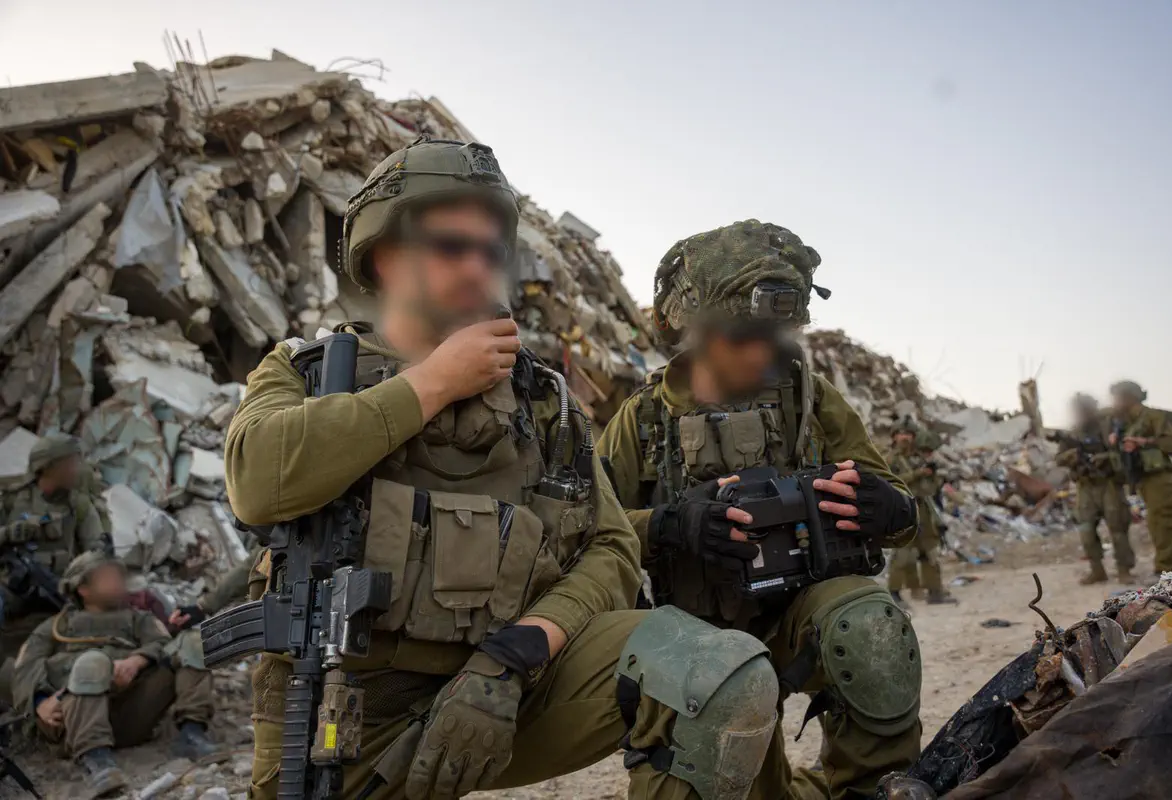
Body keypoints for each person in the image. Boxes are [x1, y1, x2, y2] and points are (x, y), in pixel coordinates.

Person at [226, 140, 784, 800]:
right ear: (385, 254)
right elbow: (257, 483)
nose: (477, 267)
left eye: (491, 252)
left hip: (510, 690)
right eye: (451, 246)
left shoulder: (539, 397)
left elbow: (610, 547)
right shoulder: (309, 372)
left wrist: (520, 651)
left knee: (717, 674)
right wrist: (432, 382)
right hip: (342, 725)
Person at [596, 220, 923, 800]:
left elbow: (894, 500)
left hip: (799, 614)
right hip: (699, 638)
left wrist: (889, 507)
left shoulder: (808, 399)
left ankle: (875, 788)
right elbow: (583, 531)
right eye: (742, 335)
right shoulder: (644, 418)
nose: (763, 350)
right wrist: (669, 525)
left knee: (869, 625)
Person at [12, 552, 217, 797]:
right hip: (73, 722)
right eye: (107, 578)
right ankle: (95, 760)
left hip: (131, 712)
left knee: (193, 642)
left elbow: (164, 643)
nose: (118, 583)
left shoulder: (139, 619)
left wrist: (137, 661)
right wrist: (39, 703)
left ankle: (192, 733)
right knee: (93, 662)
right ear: (83, 589)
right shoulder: (56, 627)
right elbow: (23, 669)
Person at [0, 434, 109, 627]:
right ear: (48, 466)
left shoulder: (79, 505)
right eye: (70, 464)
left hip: (59, 592)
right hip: (13, 589)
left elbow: (97, 552)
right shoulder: (12, 500)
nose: (76, 470)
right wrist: (8, 534)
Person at [1053, 393, 1135, 584]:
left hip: (1109, 484)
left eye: (1084, 408)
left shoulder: (1109, 427)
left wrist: (1105, 458)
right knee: (1086, 530)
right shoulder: (1072, 434)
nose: (1081, 412)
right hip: (1085, 486)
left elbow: (1125, 451)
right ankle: (1097, 570)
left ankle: (1124, 570)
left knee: (1118, 528)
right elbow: (1059, 458)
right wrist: (1074, 455)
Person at [1108, 380, 1172, 577]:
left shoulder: (1153, 416)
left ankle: (1165, 571)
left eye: (1117, 398)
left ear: (1129, 397)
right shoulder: (1127, 423)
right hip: (1144, 478)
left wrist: (1142, 441)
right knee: (1159, 524)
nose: (1115, 402)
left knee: (1162, 523)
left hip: (1160, 478)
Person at [885, 419, 954, 606]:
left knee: (929, 550)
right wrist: (917, 474)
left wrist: (932, 475)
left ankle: (935, 591)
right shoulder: (890, 459)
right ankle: (894, 593)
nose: (905, 438)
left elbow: (932, 487)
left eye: (909, 434)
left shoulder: (920, 458)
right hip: (902, 508)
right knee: (902, 554)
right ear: (894, 436)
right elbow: (889, 481)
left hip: (923, 508)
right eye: (901, 434)